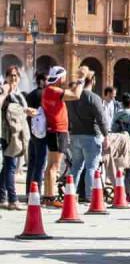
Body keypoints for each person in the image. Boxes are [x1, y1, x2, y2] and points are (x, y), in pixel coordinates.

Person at [42, 65, 90, 208]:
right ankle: (51, 198)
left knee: (50, 165)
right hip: (58, 130)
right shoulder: (54, 90)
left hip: (53, 130)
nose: (65, 79)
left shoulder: (48, 90)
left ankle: (47, 196)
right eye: (63, 76)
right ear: (59, 77)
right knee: (54, 166)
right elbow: (76, 95)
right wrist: (81, 78)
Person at [66, 72, 109, 202]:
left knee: (76, 167)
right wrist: (106, 135)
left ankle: (70, 195)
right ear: (93, 80)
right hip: (91, 135)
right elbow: (101, 119)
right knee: (91, 167)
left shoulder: (72, 97)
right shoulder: (93, 97)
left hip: (75, 135)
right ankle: (90, 197)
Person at [0, 66, 37, 210]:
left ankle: (2, 197)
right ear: (6, 77)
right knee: (10, 167)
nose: (14, 78)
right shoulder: (5, 90)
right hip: (9, 134)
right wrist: (5, 90)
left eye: (16, 76)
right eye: (11, 75)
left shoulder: (18, 93)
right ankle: (13, 200)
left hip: (17, 133)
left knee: (7, 167)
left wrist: (28, 111)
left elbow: (19, 111)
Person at [25, 73, 47, 196]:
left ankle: (29, 191)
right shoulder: (43, 94)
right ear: (42, 81)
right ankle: (36, 191)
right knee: (40, 163)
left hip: (31, 132)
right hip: (41, 132)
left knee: (32, 163)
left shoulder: (30, 94)